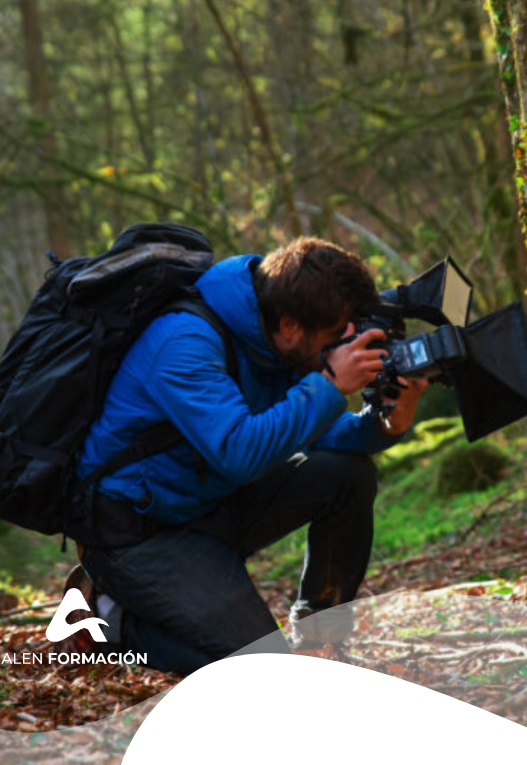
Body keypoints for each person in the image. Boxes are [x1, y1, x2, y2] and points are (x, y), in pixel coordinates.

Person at [60, 237, 426, 675]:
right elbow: (240, 451)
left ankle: (320, 639)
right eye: (333, 337)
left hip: (210, 503)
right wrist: (329, 384)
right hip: (138, 535)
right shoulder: (184, 343)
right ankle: (108, 620)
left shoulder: (274, 338)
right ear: (291, 326)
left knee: (347, 475)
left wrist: (387, 422)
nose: (339, 347)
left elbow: (321, 434)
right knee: (261, 668)